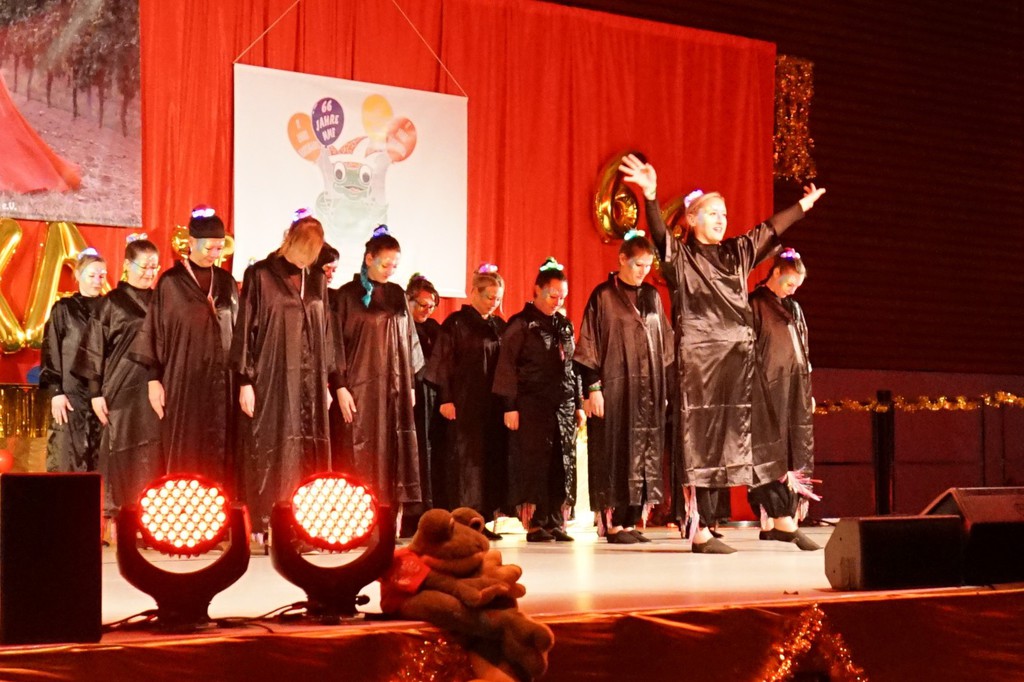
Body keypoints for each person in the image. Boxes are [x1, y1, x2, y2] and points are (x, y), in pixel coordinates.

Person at [619, 153, 826, 553]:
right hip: (702, 365)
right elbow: (660, 236)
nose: (720, 219)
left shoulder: (736, 254)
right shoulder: (681, 257)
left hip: (742, 363)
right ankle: (702, 529)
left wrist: (802, 206)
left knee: (762, 438)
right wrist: (651, 196)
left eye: (724, 214)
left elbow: (769, 228)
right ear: (692, 219)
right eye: (712, 213)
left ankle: (782, 519)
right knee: (705, 444)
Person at [231, 210, 339, 536]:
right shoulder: (261, 275)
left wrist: (327, 381)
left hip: (310, 379)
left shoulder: (316, 279)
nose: (307, 259)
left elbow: (326, 332)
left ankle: (307, 522)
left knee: (308, 446)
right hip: (271, 374)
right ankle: (268, 521)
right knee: (271, 445)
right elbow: (246, 328)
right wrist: (245, 380)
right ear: (289, 241)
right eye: (304, 251)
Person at [574, 231, 673, 544]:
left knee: (643, 452)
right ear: (622, 260)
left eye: (647, 265)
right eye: (637, 264)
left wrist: (666, 390)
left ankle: (630, 520)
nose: (643, 271)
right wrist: (593, 388)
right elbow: (589, 343)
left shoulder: (652, 297)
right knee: (615, 451)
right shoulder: (603, 296)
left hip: (649, 391)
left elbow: (665, 346)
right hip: (615, 389)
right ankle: (612, 522)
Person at [130, 205, 238, 486]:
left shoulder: (226, 282)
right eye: (209, 248)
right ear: (191, 243)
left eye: (220, 248)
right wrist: (153, 380)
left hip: (222, 383)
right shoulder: (171, 283)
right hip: (184, 381)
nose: (215, 254)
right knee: (186, 449)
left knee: (221, 449)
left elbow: (237, 332)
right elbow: (156, 333)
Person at [330, 225, 423, 519]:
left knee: (393, 451)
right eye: (385, 264)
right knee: (358, 452)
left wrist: (409, 385)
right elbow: (335, 344)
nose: (390, 271)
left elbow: (408, 340)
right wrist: (339, 386)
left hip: (394, 389)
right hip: (360, 387)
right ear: (369, 258)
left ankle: (388, 521)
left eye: (395, 265)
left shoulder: (397, 295)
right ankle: (355, 519)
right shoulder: (346, 296)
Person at [492, 258, 584, 542]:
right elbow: (506, 365)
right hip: (531, 404)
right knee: (534, 462)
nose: (558, 301)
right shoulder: (521, 325)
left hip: (562, 405)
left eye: (562, 297)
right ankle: (534, 522)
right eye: (553, 295)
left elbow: (573, 366)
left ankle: (556, 520)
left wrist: (578, 404)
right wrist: (510, 406)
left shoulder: (564, 325)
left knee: (562, 462)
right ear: (537, 290)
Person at [74, 236, 163, 518]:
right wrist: (95, 393)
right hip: (121, 387)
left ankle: (152, 515)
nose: (149, 273)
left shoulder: (162, 301)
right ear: (127, 265)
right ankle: (119, 516)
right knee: (121, 449)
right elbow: (94, 349)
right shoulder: (111, 302)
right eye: (144, 266)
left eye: (155, 267)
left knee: (155, 452)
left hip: (156, 387)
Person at [425, 264, 508, 538]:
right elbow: (444, 363)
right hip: (463, 403)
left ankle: (483, 520)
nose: (493, 302)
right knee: (464, 463)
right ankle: (462, 520)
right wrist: (446, 399)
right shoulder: (456, 324)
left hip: (491, 406)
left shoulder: (498, 326)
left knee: (488, 460)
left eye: (497, 298)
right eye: (489, 297)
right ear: (474, 293)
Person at [748, 248, 820, 550]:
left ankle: (780, 519)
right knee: (767, 451)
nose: (792, 290)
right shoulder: (754, 304)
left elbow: (803, 351)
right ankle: (778, 518)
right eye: (790, 283)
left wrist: (807, 391)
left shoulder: (794, 308)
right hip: (765, 391)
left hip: (793, 390)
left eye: (797, 286)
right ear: (776, 272)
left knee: (793, 449)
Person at [40, 248, 106, 473]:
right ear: (78, 275)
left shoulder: (109, 308)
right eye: (92, 275)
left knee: (99, 458)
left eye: (102, 276)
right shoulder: (63, 309)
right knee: (66, 455)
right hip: (70, 394)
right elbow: (51, 349)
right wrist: (56, 391)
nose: (97, 281)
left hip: (101, 394)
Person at [404, 272, 443, 532]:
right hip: (408, 396)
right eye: (422, 305)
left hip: (431, 397)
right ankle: (410, 513)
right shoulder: (398, 325)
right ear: (409, 301)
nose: (427, 311)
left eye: (432, 306)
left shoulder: (434, 329)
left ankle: (429, 507)